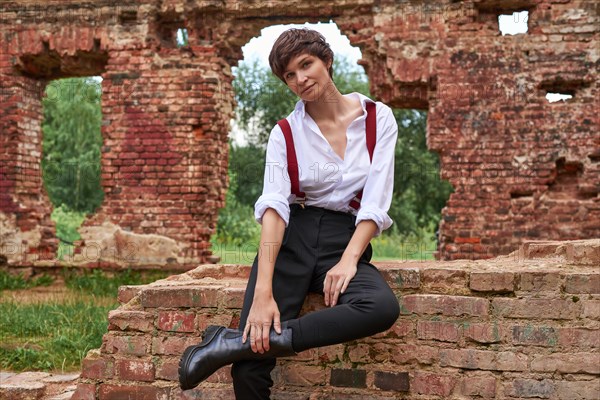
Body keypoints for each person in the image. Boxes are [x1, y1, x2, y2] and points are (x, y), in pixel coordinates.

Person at [178, 27, 400, 399]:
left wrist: (349, 260)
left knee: (380, 306)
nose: (301, 79)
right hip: (292, 240)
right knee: (250, 369)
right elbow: (275, 209)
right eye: (290, 75)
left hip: (345, 239)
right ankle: (242, 346)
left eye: (306, 65)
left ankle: (229, 342)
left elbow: (376, 201)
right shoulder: (285, 133)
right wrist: (263, 290)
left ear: (326, 60)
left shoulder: (379, 119)